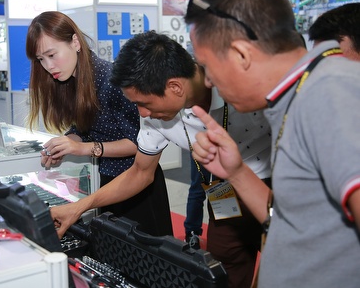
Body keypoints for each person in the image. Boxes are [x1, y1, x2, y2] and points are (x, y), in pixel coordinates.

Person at [50, 30, 272, 288]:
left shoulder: (245, 90)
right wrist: (78, 207)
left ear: (175, 87)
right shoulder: (153, 113)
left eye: (144, 103)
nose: (142, 113)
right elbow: (140, 173)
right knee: (226, 266)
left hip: (276, 188)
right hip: (223, 192)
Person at [184, 0, 360, 288]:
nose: (208, 81)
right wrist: (236, 171)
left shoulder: (329, 91)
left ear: (241, 54)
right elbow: (294, 219)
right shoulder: (300, 95)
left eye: (207, 66)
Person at [25, 11, 173, 236]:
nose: (48, 66)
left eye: (52, 55)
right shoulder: (70, 81)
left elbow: (139, 141)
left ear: (75, 42)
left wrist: (83, 148)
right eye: (41, 60)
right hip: (103, 184)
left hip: (136, 187)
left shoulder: (111, 79)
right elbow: (85, 129)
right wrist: (67, 142)